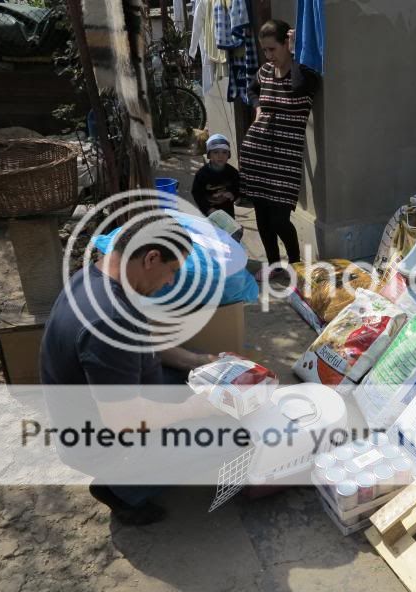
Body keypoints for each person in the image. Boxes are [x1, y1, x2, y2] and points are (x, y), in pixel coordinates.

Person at [40, 214, 231, 526]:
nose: (170, 281)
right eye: (171, 271)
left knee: (202, 388)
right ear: (151, 258)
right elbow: (124, 421)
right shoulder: (110, 322)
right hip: (102, 439)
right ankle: (122, 488)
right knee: (233, 436)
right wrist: (194, 409)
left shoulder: (95, 277)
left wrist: (200, 361)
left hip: (103, 407)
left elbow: (145, 343)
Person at [240, 19, 321, 280]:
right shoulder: (263, 72)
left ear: (287, 43)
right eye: (265, 50)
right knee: (262, 216)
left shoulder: (304, 73)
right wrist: (258, 107)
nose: (268, 56)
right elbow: (251, 90)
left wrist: (296, 54)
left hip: (285, 160)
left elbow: (298, 87)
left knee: (279, 219)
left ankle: (295, 264)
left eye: (273, 49)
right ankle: (274, 265)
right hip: (256, 154)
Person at [192, 134, 241, 218]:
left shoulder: (233, 172)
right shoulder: (202, 174)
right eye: (215, 152)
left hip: (227, 211)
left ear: (228, 155)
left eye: (224, 152)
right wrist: (208, 209)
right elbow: (197, 194)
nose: (220, 156)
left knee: (229, 230)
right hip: (209, 212)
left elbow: (239, 187)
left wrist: (233, 194)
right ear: (209, 155)